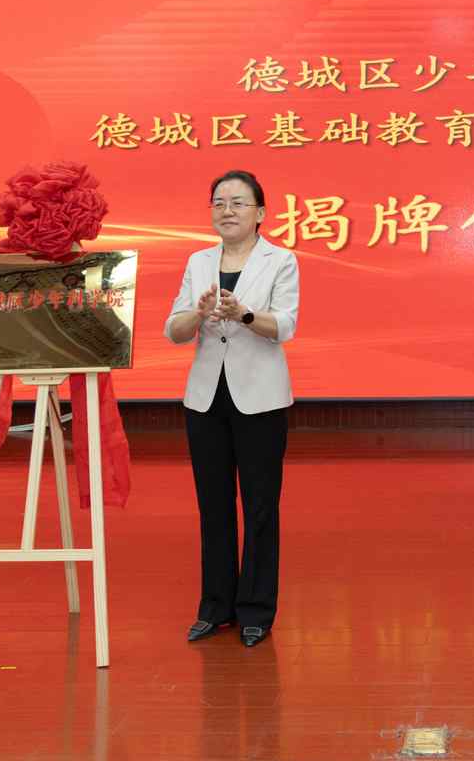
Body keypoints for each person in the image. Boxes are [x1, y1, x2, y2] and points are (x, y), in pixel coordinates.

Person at [166, 170, 299, 648]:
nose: (227, 211)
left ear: (260, 213)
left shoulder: (280, 260)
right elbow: (175, 330)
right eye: (219, 202)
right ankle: (215, 607)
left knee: (260, 506)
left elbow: (284, 326)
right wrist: (199, 313)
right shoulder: (199, 261)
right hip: (206, 398)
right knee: (213, 505)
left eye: (239, 203)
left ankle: (256, 610)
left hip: (260, 398)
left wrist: (243, 313)